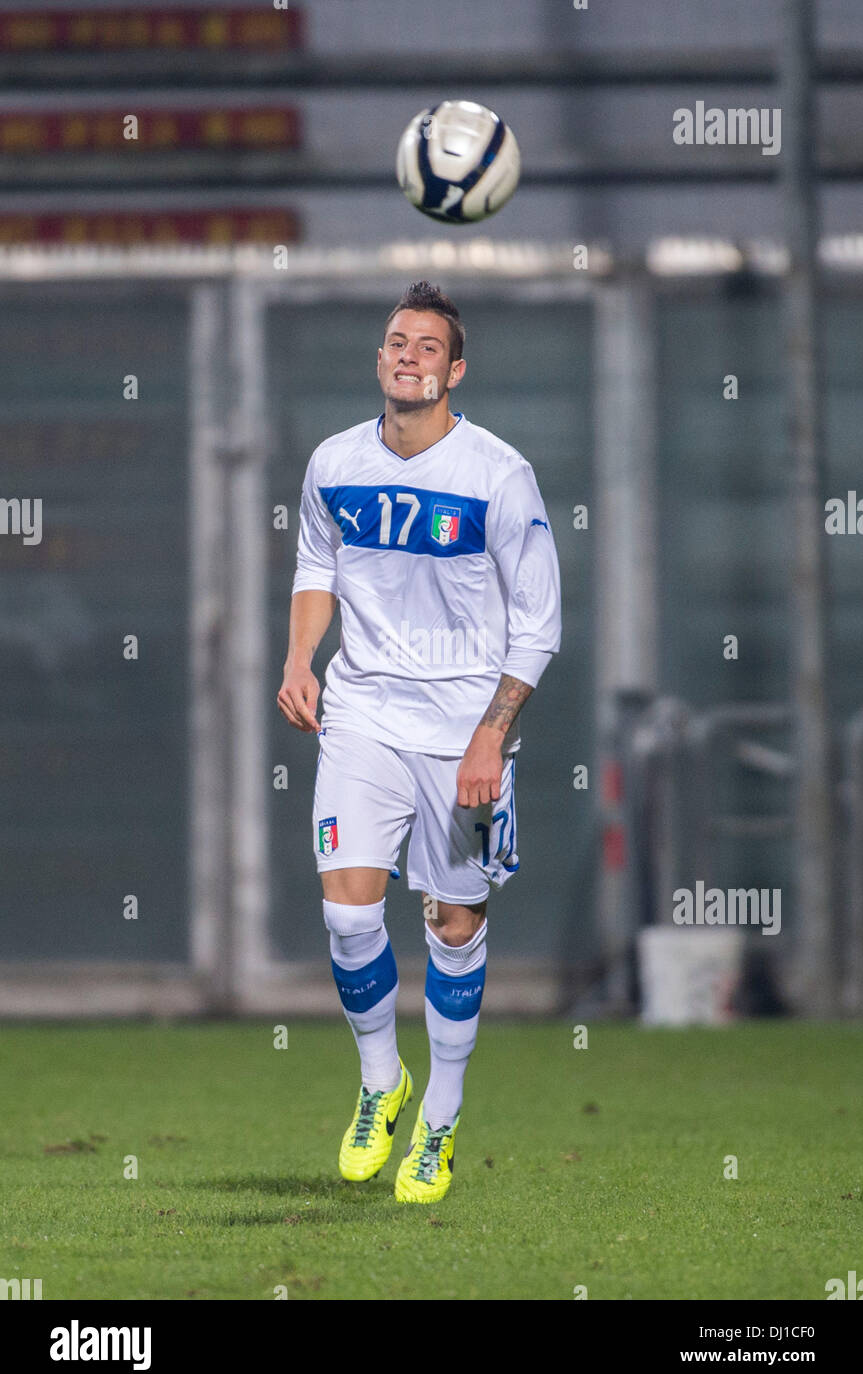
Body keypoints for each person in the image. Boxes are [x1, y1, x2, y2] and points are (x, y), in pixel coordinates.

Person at [278, 280, 561, 1204]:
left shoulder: (496, 475)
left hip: (462, 735)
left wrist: (490, 737)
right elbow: (316, 562)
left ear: (454, 370)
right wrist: (300, 659)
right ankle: (377, 1085)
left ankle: (437, 1120)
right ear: (379, 360)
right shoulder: (332, 462)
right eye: (394, 341)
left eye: (425, 346)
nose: (406, 355)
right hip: (362, 713)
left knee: (453, 925)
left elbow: (537, 626)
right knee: (349, 913)